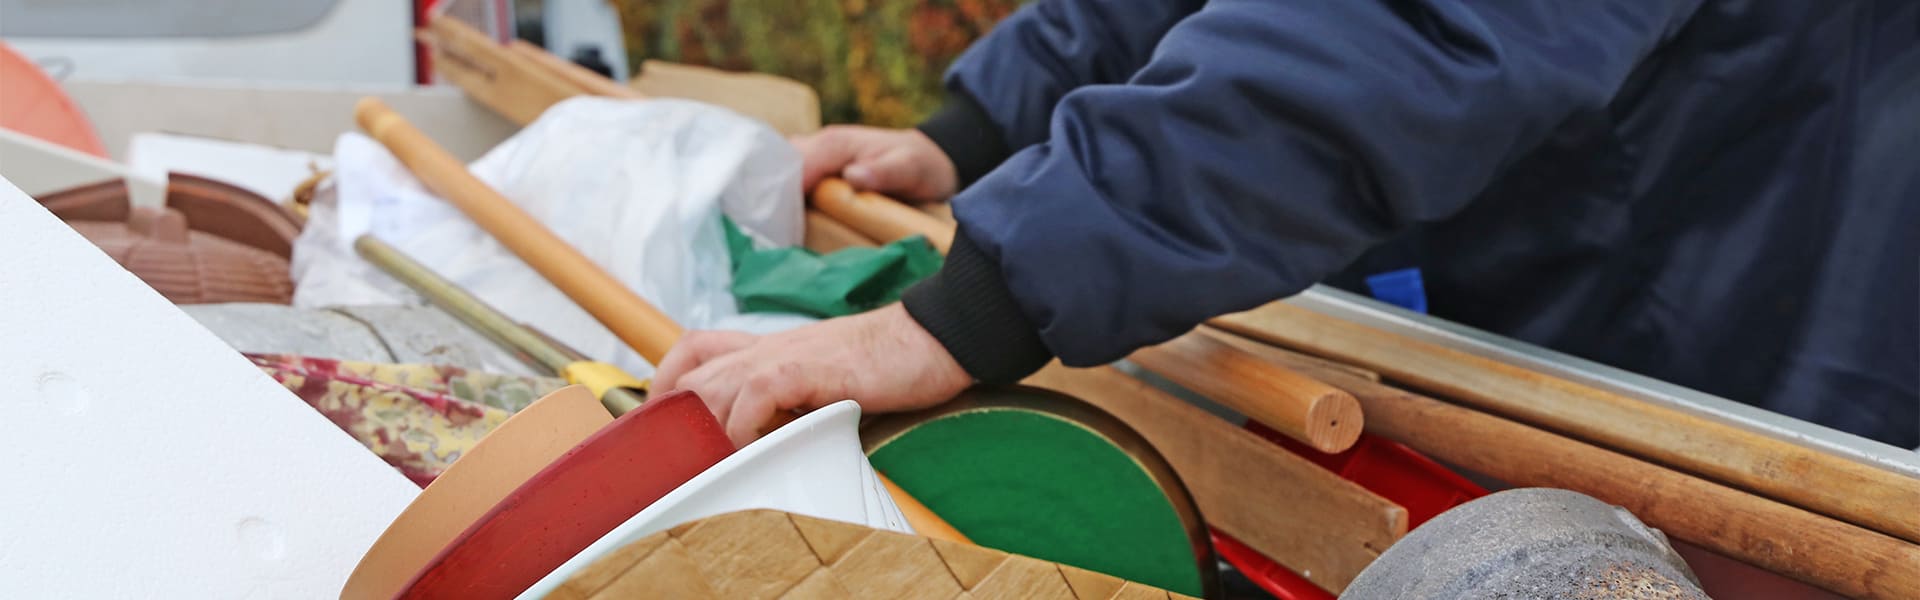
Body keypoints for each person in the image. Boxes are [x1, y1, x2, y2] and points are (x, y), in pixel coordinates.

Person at [655, 1, 1920, 449]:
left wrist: (980, 304)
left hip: (1736, 338)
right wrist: (983, 128)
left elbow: (1413, 27)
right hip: (1515, 272)